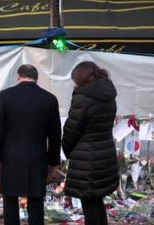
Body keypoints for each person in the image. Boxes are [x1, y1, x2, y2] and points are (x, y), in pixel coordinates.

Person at [0, 64, 61, 225]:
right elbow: (55, 135)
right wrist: (53, 162)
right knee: (36, 201)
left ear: (19, 76)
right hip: (37, 157)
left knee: (10, 199)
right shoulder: (49, 99)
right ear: (36, 78)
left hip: (11, 157)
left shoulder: (6, 96)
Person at [62, 61, 119, 225]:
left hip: (87, 158)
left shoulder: (83, 97)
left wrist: (66, 149)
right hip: (105, 153)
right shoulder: (109, 95)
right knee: (97, 200)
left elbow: (72, 129)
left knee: (89, 203)